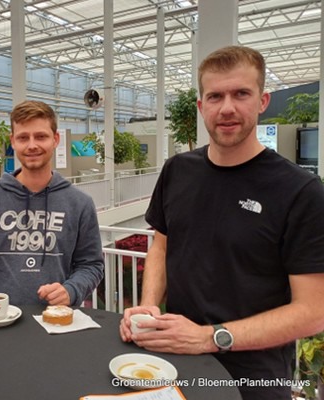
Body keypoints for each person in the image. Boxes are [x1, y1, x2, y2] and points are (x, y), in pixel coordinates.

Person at [119, 46, 324, 400]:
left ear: (262, 101)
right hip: (175, 363)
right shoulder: (177, 171)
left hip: (254, 379)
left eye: (241, 93)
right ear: (202, 107)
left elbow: (313, 311)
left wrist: (209, 337)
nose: (227, 108)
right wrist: (149, 307)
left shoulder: (300, 191)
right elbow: (161, 247)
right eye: (215, 96)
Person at [0, 100, 104, 316]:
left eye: (41, 136)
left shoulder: (80, 203)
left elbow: (91, 265)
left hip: (55, 320)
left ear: (56, 139)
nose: (32, 145)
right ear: (13, 141)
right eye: (23, 138)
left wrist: (71, 290)